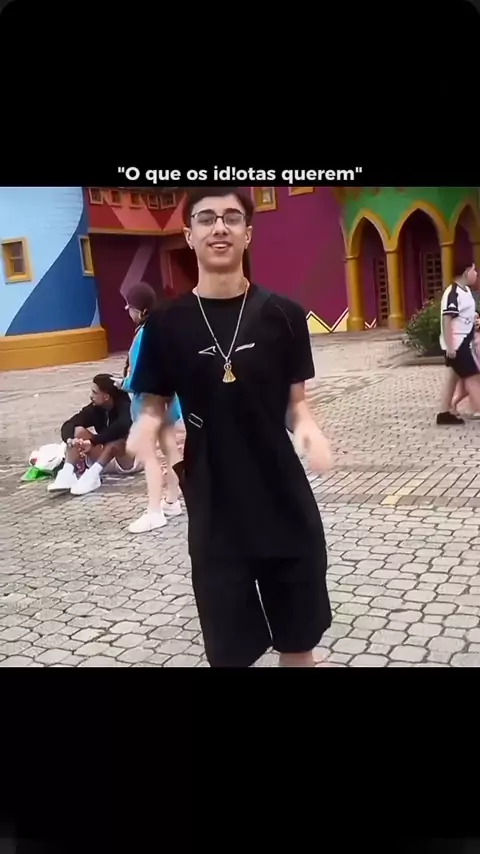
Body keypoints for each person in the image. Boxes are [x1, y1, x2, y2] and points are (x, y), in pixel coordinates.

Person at [127, 186, 333, 668]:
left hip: (282, 496)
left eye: (231, 218)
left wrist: (308, 429)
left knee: (298, 639)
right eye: (206, 218)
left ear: (248, 233)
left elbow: (296, 404)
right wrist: (146, 426)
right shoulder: (165, 323)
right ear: (189, 235)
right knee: (229, 649)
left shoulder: (284, 315)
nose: (219, 227)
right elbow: (154, 401)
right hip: (215, 504)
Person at [122, 282, 184, 533]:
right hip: (169, 400)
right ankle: (173, 500)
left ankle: (154, 511)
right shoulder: (164, 328)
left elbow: (139, 373)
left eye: (129, 307)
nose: (128, 311)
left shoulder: (144, 333)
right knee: (170, 448)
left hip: (149, 402)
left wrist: (123, 383)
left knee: (148, 455)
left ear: (139, 309)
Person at [48, 374, 138, 495]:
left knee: (116, 441)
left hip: (127, 461)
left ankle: (93, 476)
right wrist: (70, 440)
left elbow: (121, 427)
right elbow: (69, 424)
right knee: (78, 431)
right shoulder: (95, 408)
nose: (91, 396)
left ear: (106, 396)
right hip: (104, 459)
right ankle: (67, 472)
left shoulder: (126, 405)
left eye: (95, 392)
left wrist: (93, 441)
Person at [436, 262, 479, 425]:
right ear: (466, 272)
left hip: (464, 343)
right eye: (474, 270)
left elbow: (464, 315)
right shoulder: (453, 293)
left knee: (453, 378)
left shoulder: (466, 291)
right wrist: (450, 347)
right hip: (457, 345)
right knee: (473, 378)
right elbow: (447, 320)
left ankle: (444, 412)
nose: (476, 274)